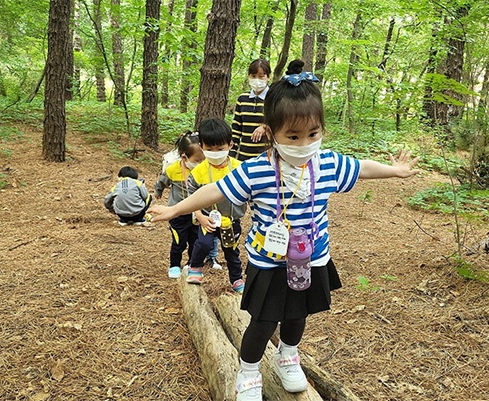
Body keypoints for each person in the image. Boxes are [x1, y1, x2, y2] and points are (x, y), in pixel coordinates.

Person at [149, 59, 419, 400]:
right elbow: (214, 191)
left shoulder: (329, 163)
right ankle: (247, 372)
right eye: (292, 135)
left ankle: (288, 356)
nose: (303, 142)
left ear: (322, 130)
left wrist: (395, 171)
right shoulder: (257, 170)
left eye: (313, 134)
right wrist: (175, 208)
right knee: (263, 320)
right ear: (271, 132)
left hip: (313, 256)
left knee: (298, 314)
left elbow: (362, 167)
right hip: (269, 260)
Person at [185, 118, 247, 293]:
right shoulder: (198, 172)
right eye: (209, 149)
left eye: (220, 149)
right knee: (203, 244)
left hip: (231, 221)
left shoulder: (239, 168)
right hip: (207, 218)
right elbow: (192, 197)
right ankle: (195, 267)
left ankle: (236, 279)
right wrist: (200, 217)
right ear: (201, 147)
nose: (215, 153)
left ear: (230, 145)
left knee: (231, 251)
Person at [154, 131, 206, 279]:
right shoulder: (173, 169)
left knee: (195, 241)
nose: (201, 163)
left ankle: (191, 264)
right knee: (179, 241)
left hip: (197, 213)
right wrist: (158, 191)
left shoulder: (203, 170)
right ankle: (174, 265)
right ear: (184, 157)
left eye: (204, 160)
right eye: (198, 160)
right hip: (178, 213)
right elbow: (162, 181)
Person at [230, 59, 271, 161]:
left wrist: (265, 127)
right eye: (253, 76)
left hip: (266, 158)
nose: (257, 80)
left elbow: (281, 126)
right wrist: (231, 153)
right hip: (244, 157)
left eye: (261, 76)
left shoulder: (274, 98)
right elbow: (236, 129)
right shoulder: (242, 99)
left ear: (268, 77)